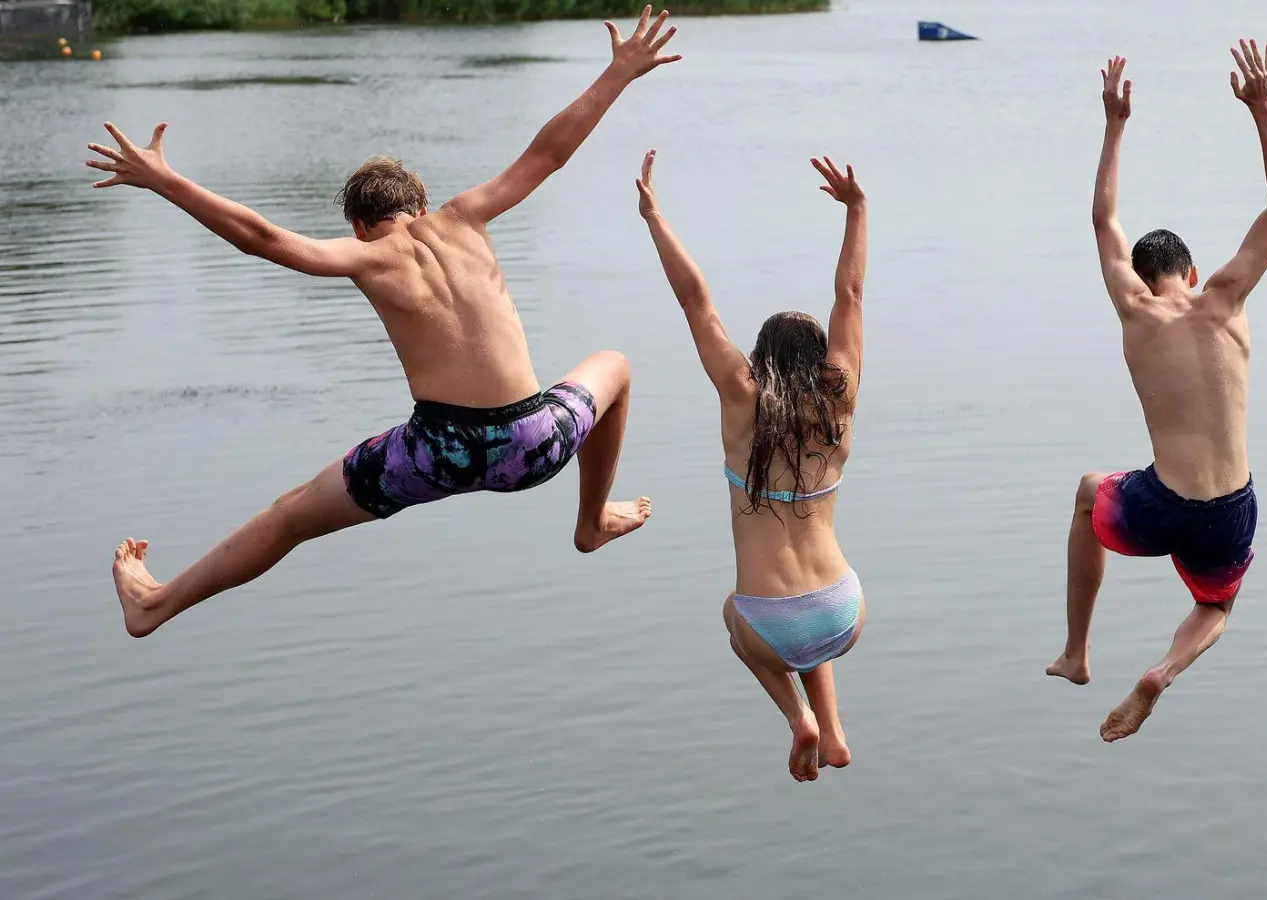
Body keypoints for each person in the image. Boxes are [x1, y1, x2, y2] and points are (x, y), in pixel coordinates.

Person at [94, 7, 683, 638]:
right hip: (530, 443)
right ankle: (591, 521)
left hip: (435, 453)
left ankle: (154, 606)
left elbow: (261, 237)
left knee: (289, 516)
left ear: (356, 224)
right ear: (422, 204)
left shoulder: (364, 257)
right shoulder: (467, 214)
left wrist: (165, 180)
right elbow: (550, 153)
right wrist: (618, 73)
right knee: (614, 366)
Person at [1044, 41, 1267, 743]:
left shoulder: (1132, 308)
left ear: (1143, 274)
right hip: (1230, 506)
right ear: (1190, 272)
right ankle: (1163, 670)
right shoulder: (1226, 298)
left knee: (1092, 488)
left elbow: (1102, 220)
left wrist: (1114, 122)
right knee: (1215, 608)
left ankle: (1076, 652)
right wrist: (1263, 110)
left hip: (1161, 503)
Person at [634, 149, 867, 782]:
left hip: (769, 623)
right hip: (845, 609)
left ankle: (801, 723)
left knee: (735, 616)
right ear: (820, 360)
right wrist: (857, 210)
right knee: (808, 631)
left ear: (760, 362)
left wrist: (655, 218)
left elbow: (696, 301)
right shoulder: (839, 402)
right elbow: (850, 293)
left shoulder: (743, 399)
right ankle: (835, 733)